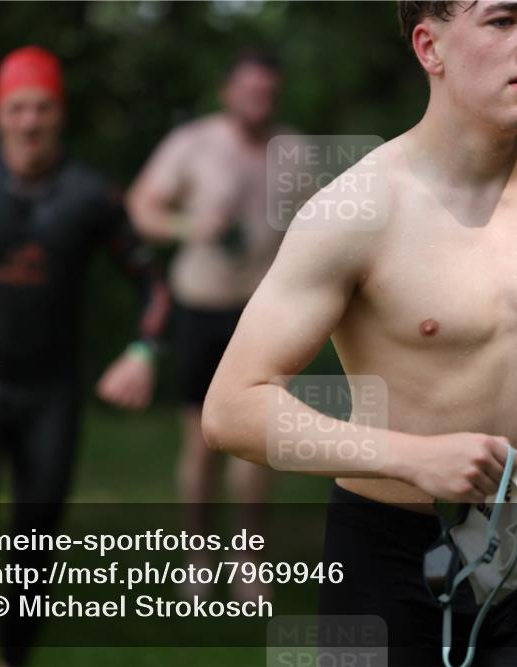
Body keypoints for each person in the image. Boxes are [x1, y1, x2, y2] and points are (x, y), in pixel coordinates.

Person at [203, 2, 517, 666]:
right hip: (383, 564)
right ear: (430, 47)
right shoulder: (356, 209)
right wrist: (409, 456)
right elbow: (232, 409)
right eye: (503, 20)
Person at [0, 46, 170, 667]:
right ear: (0, 115)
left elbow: (153, 284)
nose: (30, 121)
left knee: (36, 541)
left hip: (51, 392)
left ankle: (12, 659)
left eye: (43, 107)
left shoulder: (90, 196)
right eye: (18, 108)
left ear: (60, 113)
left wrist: (141, 352)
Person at [127, 50, 295, 599]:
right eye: (249, 91)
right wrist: (187, 223)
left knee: (260, 441)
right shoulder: (193, 144)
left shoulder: (291, 152)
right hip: (200, 308)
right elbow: (140, 207)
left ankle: (249, 558)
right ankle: (198, 552)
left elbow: (325, 231)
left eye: (267, 93)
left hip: (265, 316)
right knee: (201, 440)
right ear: (228, 92)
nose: (258, 103)